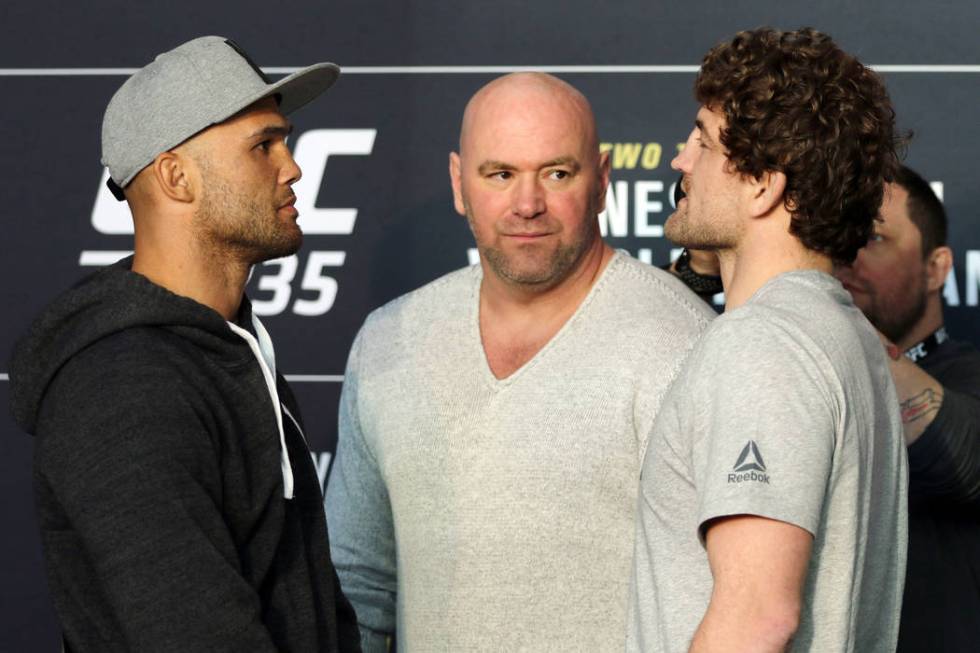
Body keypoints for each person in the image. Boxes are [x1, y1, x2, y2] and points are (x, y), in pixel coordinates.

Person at [325, 72, 714, 651]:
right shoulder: (389, 340)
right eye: (500, 175)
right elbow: (358, 586)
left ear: (602, 182)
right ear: (460, 184)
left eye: (557, 174)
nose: (528, 204)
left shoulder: (683, 343)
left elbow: (724, 599)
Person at [9, 36, 360, 652]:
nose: (293, 166)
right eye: (263, 146)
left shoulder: (229, 348)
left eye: (285, 140)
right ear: (176, 177)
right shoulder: (121, 387)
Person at [627, 27, 908, 652]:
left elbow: (756, 620)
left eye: (702, 139)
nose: (680, 160)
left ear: (763, 185)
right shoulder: (846, 337)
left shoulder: (763, 348)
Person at [835, 165, 980, 652]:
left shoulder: (969, 376)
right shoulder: (798, 383)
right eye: (836, 237)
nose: (847, 256)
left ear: (936, 268)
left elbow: (961, 457)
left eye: (873, 236)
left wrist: (812, 299)